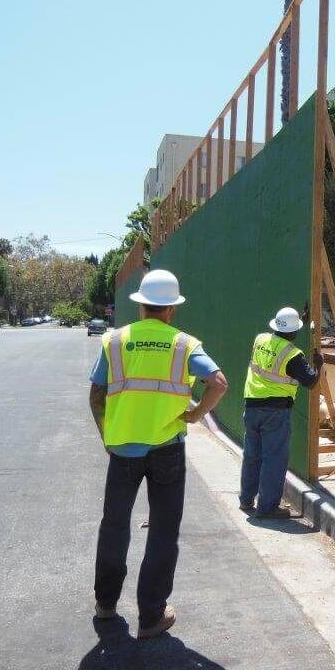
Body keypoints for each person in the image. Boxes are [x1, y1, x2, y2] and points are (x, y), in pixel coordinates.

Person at [88, 269, 228, 639]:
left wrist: (108, 436)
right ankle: (151, 617)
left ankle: (105, 604)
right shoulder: (184, 344)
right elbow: (218, 382)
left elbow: (96, 396)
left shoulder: (114, 342)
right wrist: (196, 414)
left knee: (114, 525)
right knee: (163, 531)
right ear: (171, 309)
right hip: (167, 450)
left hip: (123, 452)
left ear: (141, 307)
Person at [241, 307, 323, 518]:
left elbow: (280, 343)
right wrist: (319, 366)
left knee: (252, 456)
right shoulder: (293, 355)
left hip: (251, 407)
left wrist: (300, 323)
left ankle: (246, 500)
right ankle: (267, 508)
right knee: (274, 459)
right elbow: (311, 381)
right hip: (275, 412)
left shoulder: (260, 339)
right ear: (294, 332)